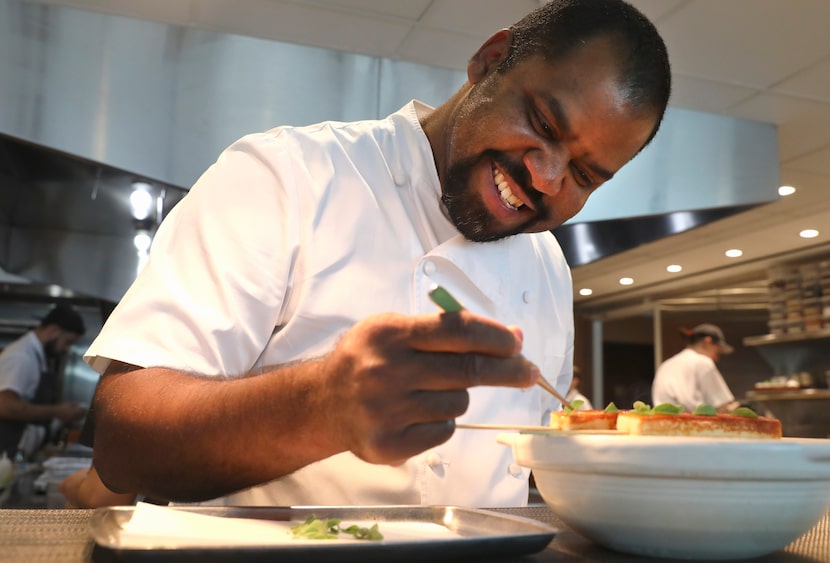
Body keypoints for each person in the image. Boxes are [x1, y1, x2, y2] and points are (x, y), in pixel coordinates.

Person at [84, 0, 671, 507]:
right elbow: (122, 444)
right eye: (541, 123)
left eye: (585, 175)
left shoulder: (547, 266)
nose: (545, 178)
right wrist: (320, 407)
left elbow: (535, 463)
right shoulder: (288, 176)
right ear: (491, 62)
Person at [0, 305, 88, 458]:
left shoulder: (37, 355)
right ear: (53, 330)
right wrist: (58, 411)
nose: (66, 349)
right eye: (67, 342)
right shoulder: (21, 357)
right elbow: (5, 406)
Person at [652, 324, 740, 413]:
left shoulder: (666, 365)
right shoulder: (703, 362)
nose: (717, 358)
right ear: (707, 342)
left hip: (661, 423)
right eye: (718, 352)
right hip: (693, 424)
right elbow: (721, 406)